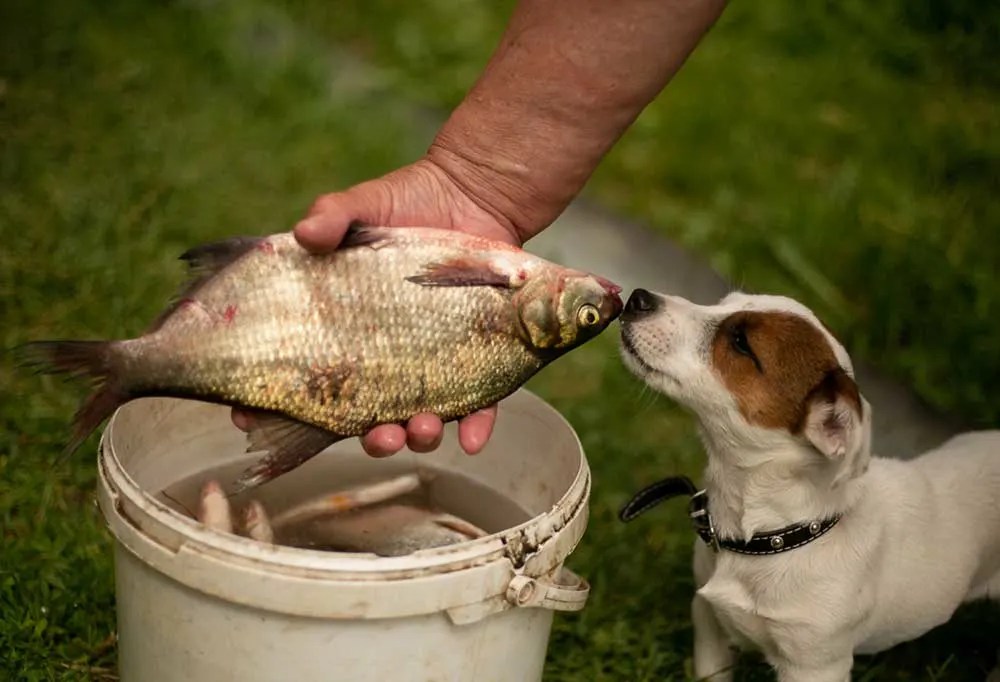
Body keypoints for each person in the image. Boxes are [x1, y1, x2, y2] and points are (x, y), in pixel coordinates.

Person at [232, 0, 729, 457]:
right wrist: (476, 184)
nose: (600, 299)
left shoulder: (515, 297)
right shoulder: (510, 297)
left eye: (585, 316)